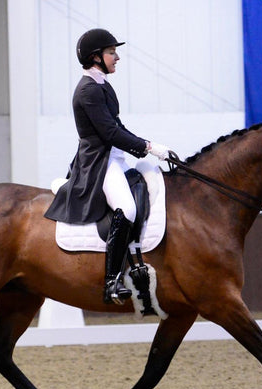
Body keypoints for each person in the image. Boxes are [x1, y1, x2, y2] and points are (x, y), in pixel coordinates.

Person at [44, 28, 172, 305]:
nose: (117, 57)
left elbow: (117, 126)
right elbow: (110, 133)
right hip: (98, 162)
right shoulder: (88, 90)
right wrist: (150, 147)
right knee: (126, 208)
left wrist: (148, 146)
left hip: (114, 158)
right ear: (95, 57)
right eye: (112, 52)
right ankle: (112, 281)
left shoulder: (102, 85)